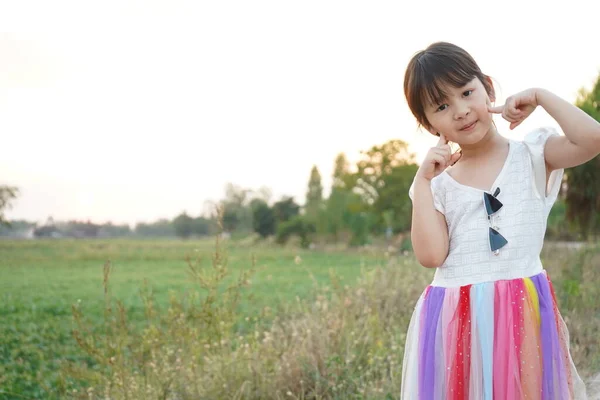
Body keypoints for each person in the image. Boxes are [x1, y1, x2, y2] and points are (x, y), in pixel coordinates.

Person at [401, 42, 599, 399]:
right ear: (429, 124)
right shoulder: (436, 183)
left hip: (520, 311)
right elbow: (431, 256)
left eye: (467, 92)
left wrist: (540, 96)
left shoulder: (534, 154)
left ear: (488, 87)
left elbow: (592, 139)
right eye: (442, 106)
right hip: (455, 319)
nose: (461, 111)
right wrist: (423, 182)